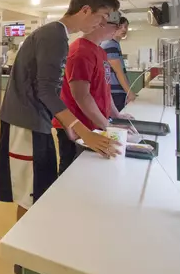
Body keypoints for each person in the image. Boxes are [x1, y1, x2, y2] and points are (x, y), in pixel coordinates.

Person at [0, 0, 121, 274]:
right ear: (86, 10)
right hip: (25, 123)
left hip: (36, 121)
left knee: (40, 187)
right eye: (101, 16)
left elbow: (48, 91)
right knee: (30, 193)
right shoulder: (54, 35)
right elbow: (45, 90)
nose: (100, 24)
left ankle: (30, 252)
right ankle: (22, 261)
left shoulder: (58, 37)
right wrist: (82, 131)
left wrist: (74, 129)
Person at [54, 13, 135, 175]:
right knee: (71, 169)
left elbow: (105, 89)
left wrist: (116, 115)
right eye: (116, 25)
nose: (118, 30)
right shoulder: (80, 52)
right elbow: (81, 96)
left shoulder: (100, 51)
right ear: (100, 24)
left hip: (95, 123)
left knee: (90, 170)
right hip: (77, 126)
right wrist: (108, 125)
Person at [102, 16, 135, 111]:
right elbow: (118, 72)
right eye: (120, 26)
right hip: (115, 91)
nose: (124, 29)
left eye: (126, 26)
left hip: (116, 91)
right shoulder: (110, 44)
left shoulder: (115, 44)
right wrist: (129, 92)